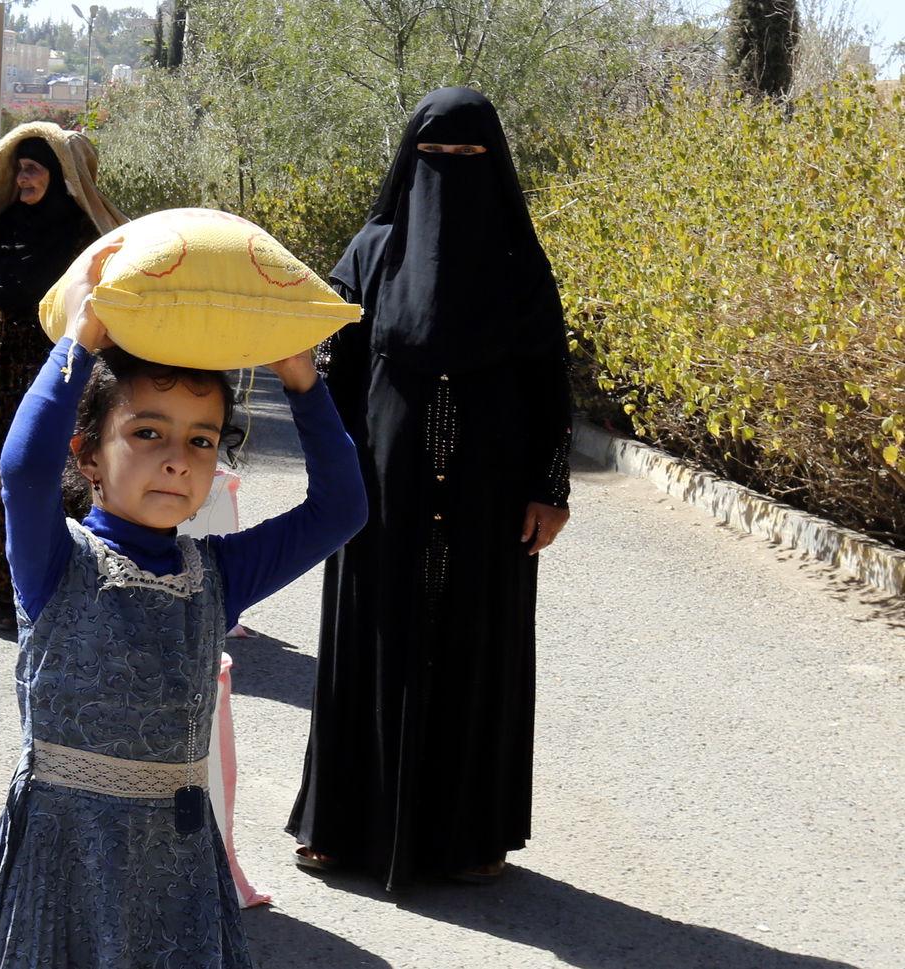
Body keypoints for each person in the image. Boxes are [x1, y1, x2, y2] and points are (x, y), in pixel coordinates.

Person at [0, 239, 367, 968]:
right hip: (59, 860)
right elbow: (22, 469)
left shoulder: (219, 573)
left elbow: (342, 509)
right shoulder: (57, 561)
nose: (177, 458)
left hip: (175, 868)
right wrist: (81, 338)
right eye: (147, 433)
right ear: (87, 455)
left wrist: (302, 378)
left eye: (201, 440)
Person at [286, 86, 573, 890]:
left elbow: (551, 382)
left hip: (491, 501)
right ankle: (340, 824)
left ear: (495, 166)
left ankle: (470, 834)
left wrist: (550, 489)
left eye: (467, 158)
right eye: (433, 156)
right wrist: (330, 477)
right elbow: (333, 372)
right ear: (409, 162)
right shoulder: (373, 253)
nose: (448, 172)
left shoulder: (518, 265)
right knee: (369, 640)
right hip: (380, 494)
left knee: (475, 647)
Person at [0, 122, 127, 630]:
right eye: (18, 169)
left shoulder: (82, 238)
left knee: (34, 471)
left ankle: (40, 588)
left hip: (42, 368)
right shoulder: (6, 225)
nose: (22, 179)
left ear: (58, 176)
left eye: (32, 169)